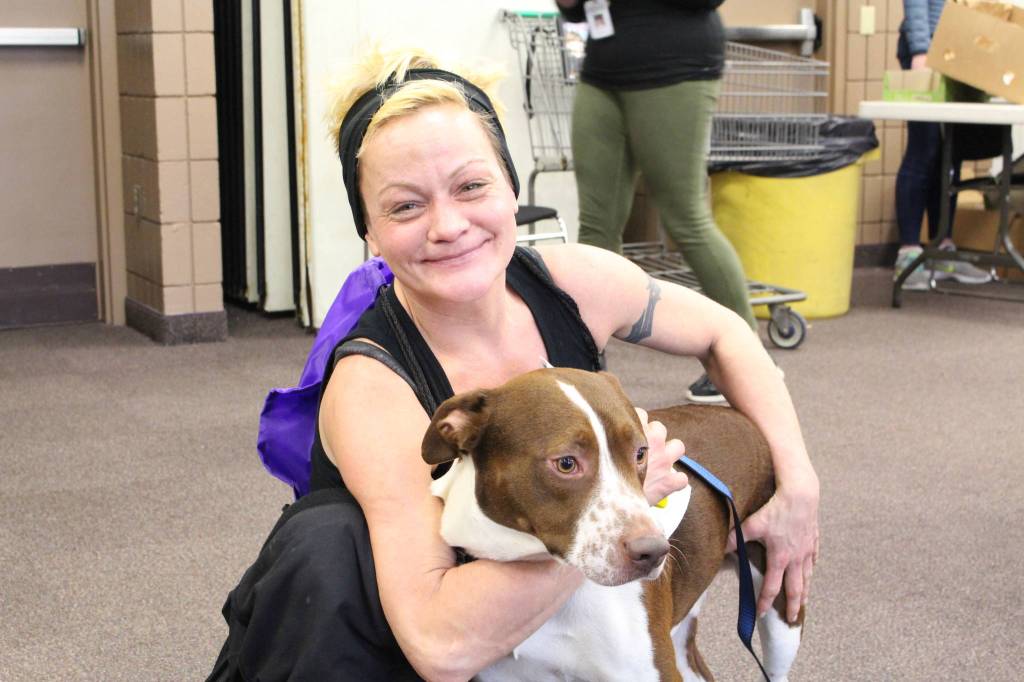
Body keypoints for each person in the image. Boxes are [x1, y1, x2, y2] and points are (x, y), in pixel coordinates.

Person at [208, 46, 819, 681]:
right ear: (370, 230)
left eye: (472, 186)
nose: (448, 225)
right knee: (332, 540)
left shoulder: (574, 283)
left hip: (532, 609)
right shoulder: (372, 388)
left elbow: (726, 332)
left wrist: (799, 486)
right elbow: (441, 645)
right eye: (405, 206)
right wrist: (614, 519)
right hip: (381, 645)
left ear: (511, 188)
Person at [555, 0, 758, 404]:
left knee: (684, 216)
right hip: (603, 70)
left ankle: (749, 360)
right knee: (596, 226)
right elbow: (574, 11)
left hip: (675, 67)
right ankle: (585, 367)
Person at [893, 0, 992, 290]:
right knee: (923, 149)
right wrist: (920, 50)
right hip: (927, 48)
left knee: (951, 155)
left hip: (958, 49)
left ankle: (942, 249)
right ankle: (908, 255)